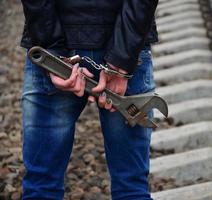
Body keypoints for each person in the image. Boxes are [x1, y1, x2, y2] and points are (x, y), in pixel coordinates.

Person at [20, 0, 158, 199]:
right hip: (127, 50)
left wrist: (52, 50)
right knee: (132, 188)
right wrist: (122, 57)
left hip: (57, 39)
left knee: (41, 188)